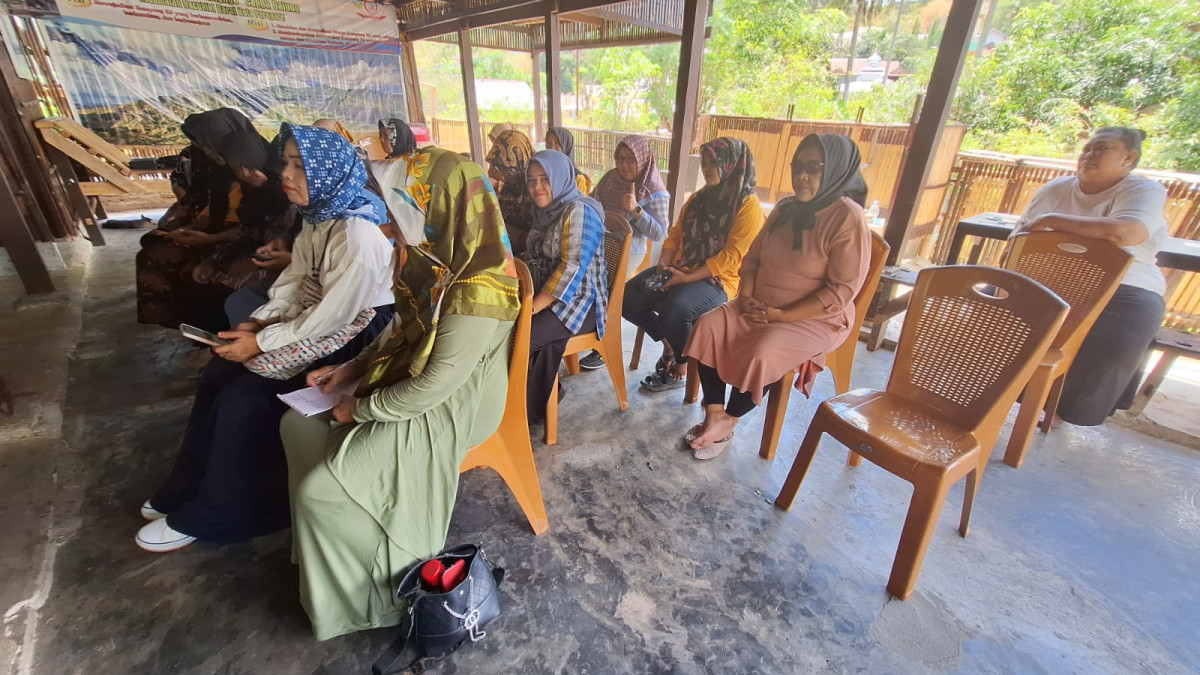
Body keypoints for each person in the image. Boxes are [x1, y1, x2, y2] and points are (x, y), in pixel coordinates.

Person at [281, 147, 519, 640]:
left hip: (455, 403)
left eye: (401, 205)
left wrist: (359, 409)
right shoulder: (429, 260)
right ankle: (336, 566)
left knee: (321, 490)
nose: (390, 218)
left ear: (438, 206)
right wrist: (347, 370)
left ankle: (377, 598)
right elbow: (397, 334)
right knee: (295, 425)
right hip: (415, 380)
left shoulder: (482, 284)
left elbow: (435, 386)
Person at [135, 124, 396, 553]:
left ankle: (228, 511)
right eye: (287, 164)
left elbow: (333, 318)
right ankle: (189, 486)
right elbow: (295, 283)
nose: (286, 176)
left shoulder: (357, 236)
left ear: (329, 173)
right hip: (316, 319)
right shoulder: (319, 219)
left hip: (353, 334)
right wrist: (259, 323)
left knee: (248, 399)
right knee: (219, 373)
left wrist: (262, 343)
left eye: (300, 167)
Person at [683, 133, 871, 460]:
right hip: (759, 304)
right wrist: (746, 298)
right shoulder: (785, 207)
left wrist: (783, 316)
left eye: (814, 167)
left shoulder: (847, 218)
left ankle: (731, 418)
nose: (802, 175)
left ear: (836, 170)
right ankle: (715, 413)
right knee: (707, 325)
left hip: (814, 317)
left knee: (763, 351)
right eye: (798, 166)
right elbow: (752, 260)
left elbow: (840, 291)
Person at [1013, 127, 1168, 426]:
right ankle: (999, 390)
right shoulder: (1056, 189)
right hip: (1052, 278)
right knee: (994, 309)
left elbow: (1125, 232)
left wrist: (1052, 221)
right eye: (1087, 149)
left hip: (1125, 284)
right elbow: (1020, 238)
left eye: (1102, 149)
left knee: (1124, 330)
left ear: (1129, 157)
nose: (1089, 155)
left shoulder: (1142, 190)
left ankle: (1062, 407)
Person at [624, 138, 764, 392]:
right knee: (627, 296)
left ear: (732, 164)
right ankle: (670, 345)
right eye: (705, 162)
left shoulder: (748, 206)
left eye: (714, 162)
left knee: (676, 311)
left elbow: (730, 258)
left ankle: (684, 362)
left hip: (718, 281)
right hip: (680, 267)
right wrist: (664, 262)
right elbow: (675, 233)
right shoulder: (699, 199)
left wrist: (684, 278)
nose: (707, 168)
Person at [136, 108, 254, 329]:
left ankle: (209, 333)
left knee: (198, 272)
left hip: (238, 238)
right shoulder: (218, 171)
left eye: (208, 146)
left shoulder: (254, 171)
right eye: (203, 147)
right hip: (220, 233)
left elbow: (255, 227)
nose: (206, 152)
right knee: (156, 248)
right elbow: (210, 209)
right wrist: (190, 228)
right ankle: (177, 322)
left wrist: (209, 241)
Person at [523, 149, 608, 424]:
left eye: (545, 179)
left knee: (519, 336)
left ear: (560, 178)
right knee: (515, 329)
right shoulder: (546, 212)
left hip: (581, 305)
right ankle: (544, 395)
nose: (537, 187)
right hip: (552, 296)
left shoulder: (579, 210)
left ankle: (525, 408)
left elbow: (570, 269)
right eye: (532, 180)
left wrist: (531, 308)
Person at [584, 135, 670, 370]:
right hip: (600, 242)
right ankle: (585, 332)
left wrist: (636, 210)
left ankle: (601, 347)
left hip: (630, 249)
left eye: (630, 160)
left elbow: (660, 233)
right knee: (580, 276)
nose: (624, 165)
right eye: (620, 159)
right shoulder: (610, 178)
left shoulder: (655, 190)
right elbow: (592, 202)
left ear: (642, 160)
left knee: (605, 289)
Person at [211, 130, 302, 326]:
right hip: (286, 263)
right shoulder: (253, 194)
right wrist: (281, 241)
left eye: (298, 165)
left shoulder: (295, 194)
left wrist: (295, 261)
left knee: (240, 290)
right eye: (237, 169)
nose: (245, 175)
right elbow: (250, 232)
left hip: (299, 274)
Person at [486, 128, 535, 255]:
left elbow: (544, 237)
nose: (502, 173)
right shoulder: (509, 187)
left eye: (506, 167)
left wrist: (518, 235)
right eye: (500, 167)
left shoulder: (537, 187)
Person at [545, 126, 592, 194]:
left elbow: (578, 204)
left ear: (567, 146)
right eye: (549, 143)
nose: (552, 148)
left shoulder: (578, 180)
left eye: (557, 143)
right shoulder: (542, 173)